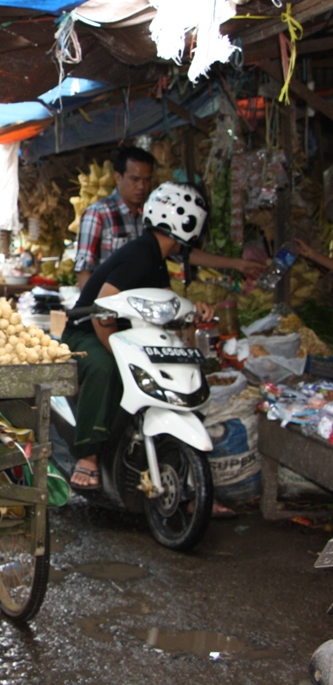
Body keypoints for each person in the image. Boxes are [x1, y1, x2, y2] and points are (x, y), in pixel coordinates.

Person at [63, 183, 218, 493]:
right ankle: (89, 455)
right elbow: (103, 309)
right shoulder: (140, 255)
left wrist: (193, 309)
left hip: (122, 332)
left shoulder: (154, 255)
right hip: (85, 333)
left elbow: (166, 301)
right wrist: (119, 353)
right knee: (107, 367)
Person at [75, 148, 265, 289]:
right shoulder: (98, 214)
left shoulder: (155, 214)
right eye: (135, 179)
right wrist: (94, 311)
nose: (142, 186)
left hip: (145, 308)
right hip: (110, 308)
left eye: (147, 180)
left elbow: (183, 251)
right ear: (118, 177)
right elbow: (84, 269)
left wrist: (237, 264)